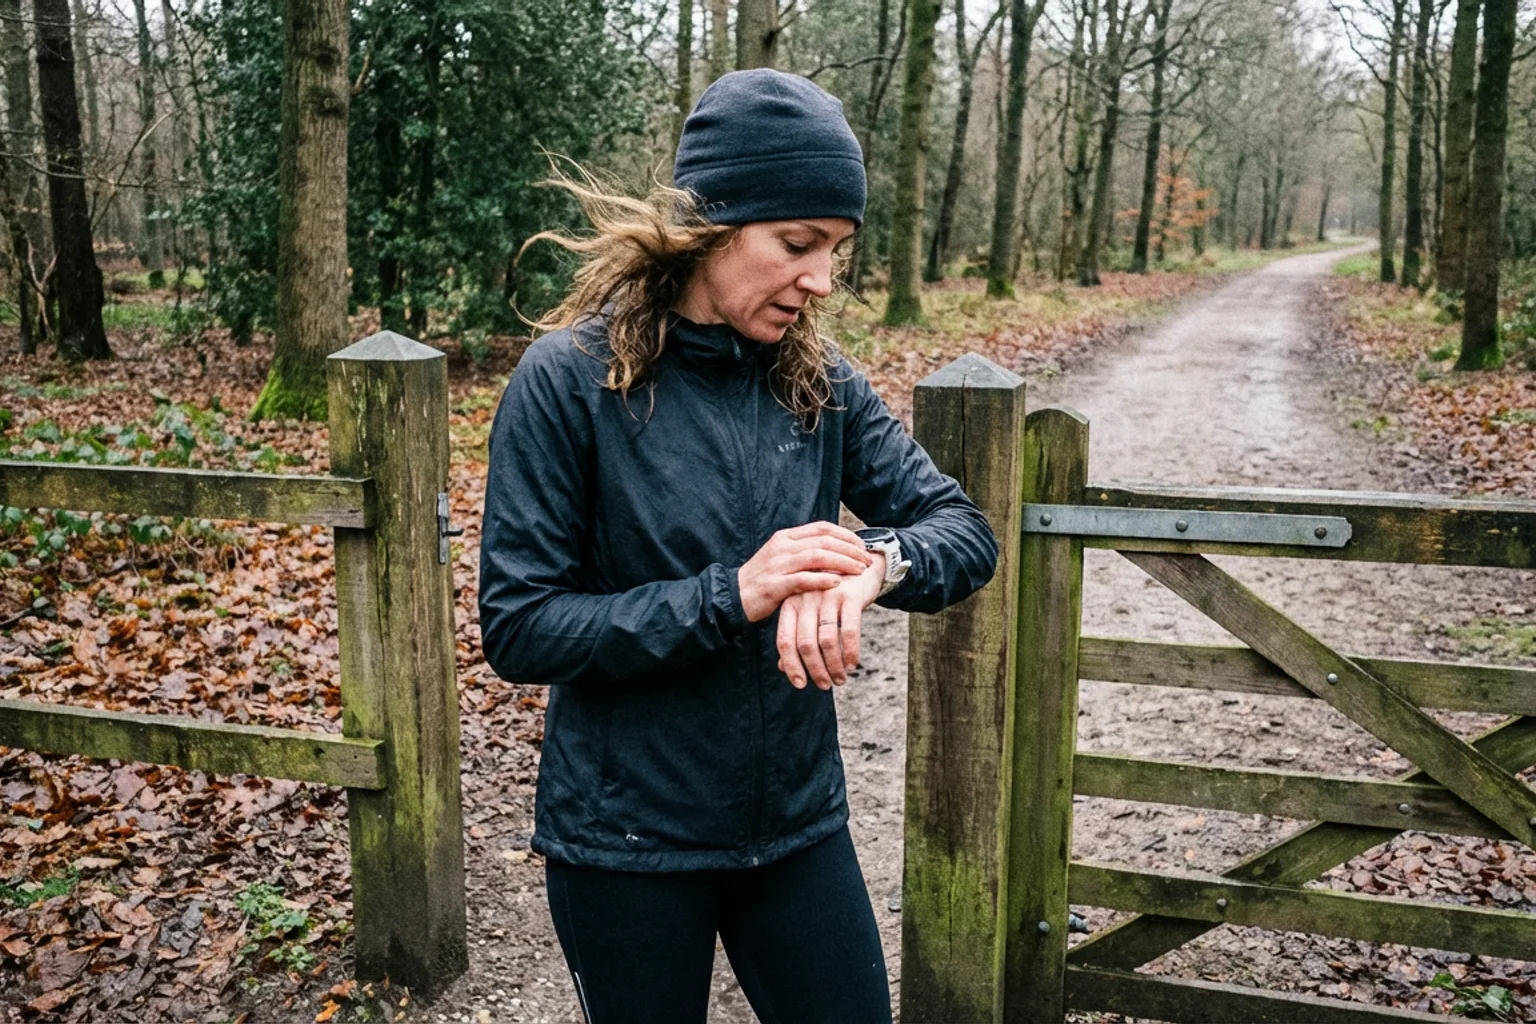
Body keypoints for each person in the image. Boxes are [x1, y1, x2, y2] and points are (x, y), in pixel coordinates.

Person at [478, 68, 998, 1024]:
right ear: (709, 226)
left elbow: (964, 531)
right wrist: (731, 595)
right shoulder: (568, 382)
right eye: (798, 244)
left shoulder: (820, 380)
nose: (822, 280)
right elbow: (521, 626)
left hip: (796, 830)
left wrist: (873, 567)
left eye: (836, 250)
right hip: (626, 844)